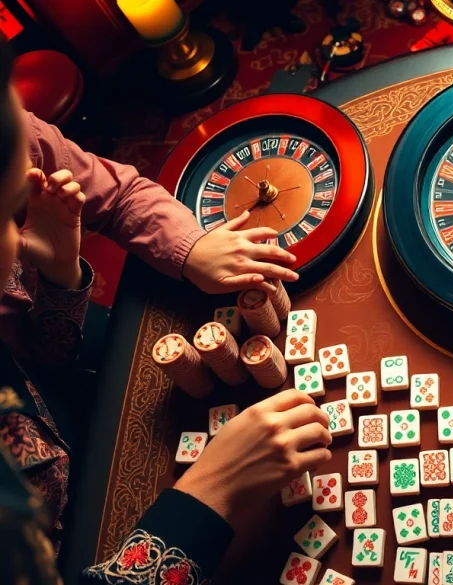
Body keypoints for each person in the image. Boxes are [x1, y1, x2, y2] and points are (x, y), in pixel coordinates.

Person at [0, 42, 332, 583]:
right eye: (4, 215)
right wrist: (211, 490)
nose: (16, 240)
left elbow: (116, 195)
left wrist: (67, 272)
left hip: (69, 377)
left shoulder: (10, 126)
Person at [6, 102, 299, 367]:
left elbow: (120, 195)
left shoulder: (13, 129)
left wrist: (190, 248)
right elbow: (35, 371)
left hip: (68, 315)